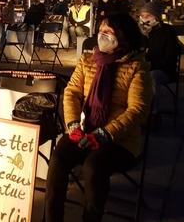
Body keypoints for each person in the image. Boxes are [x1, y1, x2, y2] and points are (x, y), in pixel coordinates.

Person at [45, 13, 152, 222]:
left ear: (124, 37)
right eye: (101, 30)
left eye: (109, 31)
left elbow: (138, 110)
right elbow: (71, 93)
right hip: (83, 129)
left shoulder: (137, 67)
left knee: (94, 166)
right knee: (58, 160)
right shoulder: (87, 60)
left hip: (119, 139)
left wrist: (105, 134)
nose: (102, 35)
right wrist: (73, 124)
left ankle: (91, 218)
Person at [138, 1, 181, 128]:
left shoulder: (167, 32)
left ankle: (153, 114)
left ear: (156, 16)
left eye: (147, 15)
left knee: (152, 77)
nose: (144, 19)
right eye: (142, 15)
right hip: (142, 68)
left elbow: (170, 59)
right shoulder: (140, 33)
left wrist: (150, 65)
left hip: (163, 70)